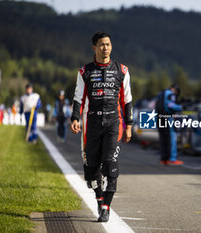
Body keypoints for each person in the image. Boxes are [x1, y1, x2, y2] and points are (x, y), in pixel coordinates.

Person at [70, 32, 133, 222]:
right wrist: (75, 118)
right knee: (91, 171)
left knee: (110, 165)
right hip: (92, 124)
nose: (105, 48)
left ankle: (106, 207)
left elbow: (127, 99)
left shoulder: (122, 70)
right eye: (102, 45)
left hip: (114, 122)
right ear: (94, 48)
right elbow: (78, 97)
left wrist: (129, 125)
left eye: (108, 44)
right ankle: (99, 197)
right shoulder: (84, 71)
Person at [156, 84, 183, 165]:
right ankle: (172, 158)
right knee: (171, 138)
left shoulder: (161, 93)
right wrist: (182, 107)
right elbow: (171, 105)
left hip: (159, 117)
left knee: (163, 139)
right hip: (167, 117)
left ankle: (164, 159)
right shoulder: (170, 94)